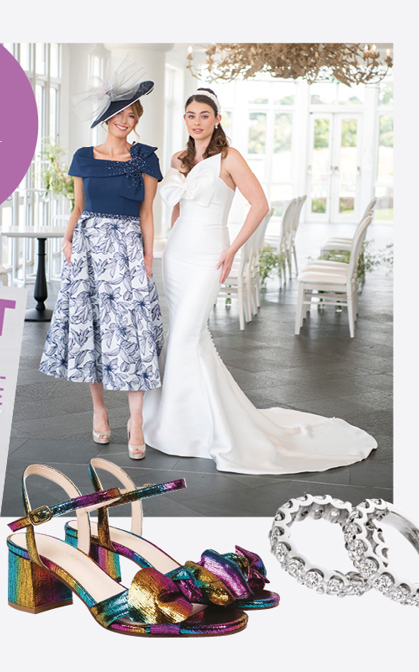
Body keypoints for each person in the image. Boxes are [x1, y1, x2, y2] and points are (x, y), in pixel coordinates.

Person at [142, 87, 376, 474]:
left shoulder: (229, 157)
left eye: (204, 115)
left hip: (209, 253)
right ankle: (178, 423)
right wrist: (171, 240)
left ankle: (189, 429)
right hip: (179, 254)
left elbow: (261, 204)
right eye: (190, 115)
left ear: (217, 119)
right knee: (184, 336)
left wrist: (232, 248)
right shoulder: (179, 158)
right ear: (184, 120)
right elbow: (177, 207)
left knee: (187, 335)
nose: (196, 121)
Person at [39, 65, 163, 460]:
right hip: (89, 248)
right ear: (106, 117)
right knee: (90, 328)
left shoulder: (144, 158)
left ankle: (137, 420)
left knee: (133, 328)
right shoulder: (82, 157)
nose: (126, 121)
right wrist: (67, 236)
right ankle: (98, 411)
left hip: (127, 250)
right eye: (120, 114)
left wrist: (147, 255)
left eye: (132, 115)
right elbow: (78, 206)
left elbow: (147, 213)